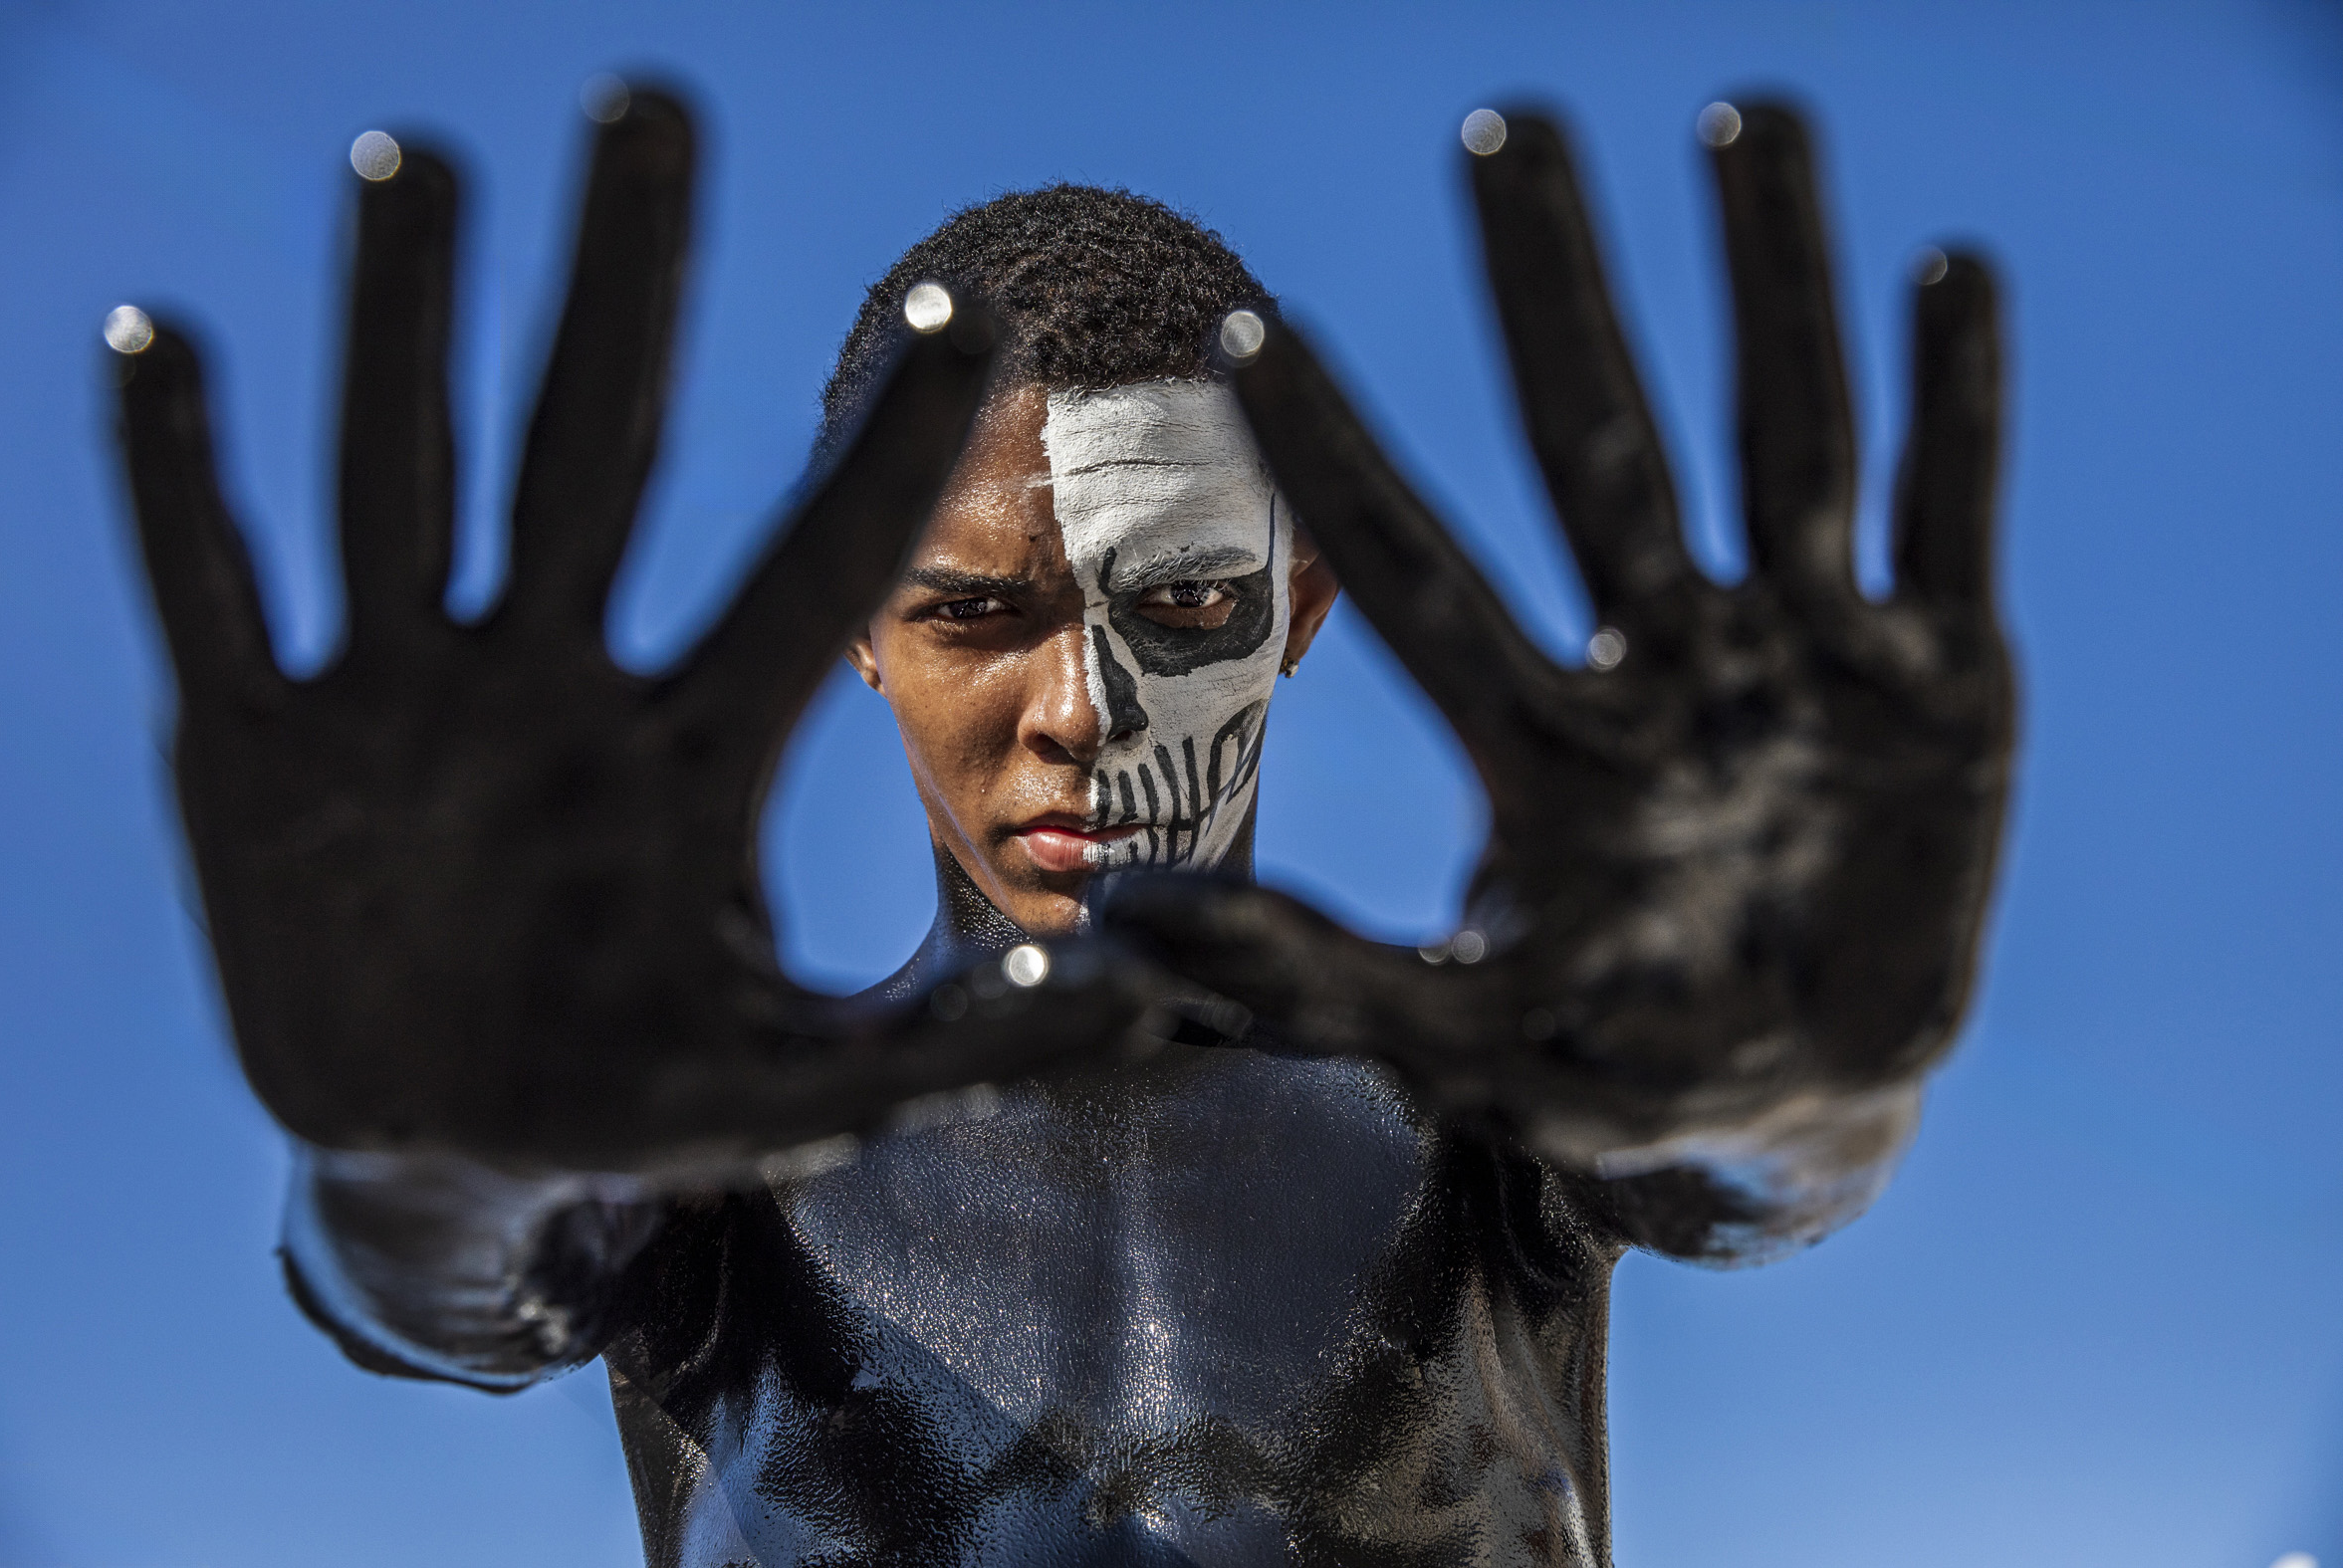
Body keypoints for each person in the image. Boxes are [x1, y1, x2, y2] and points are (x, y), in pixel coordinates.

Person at [115, 88, 2010, 1566]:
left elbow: (1739, 1173)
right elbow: (448, 1285)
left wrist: (1796, 1088)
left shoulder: (1500, 1104)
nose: (1078, 713)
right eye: (974, 613)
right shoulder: (714, 1152)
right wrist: (424, 1149)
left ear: (1302, 610)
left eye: (1179, 606)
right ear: (857, 635)